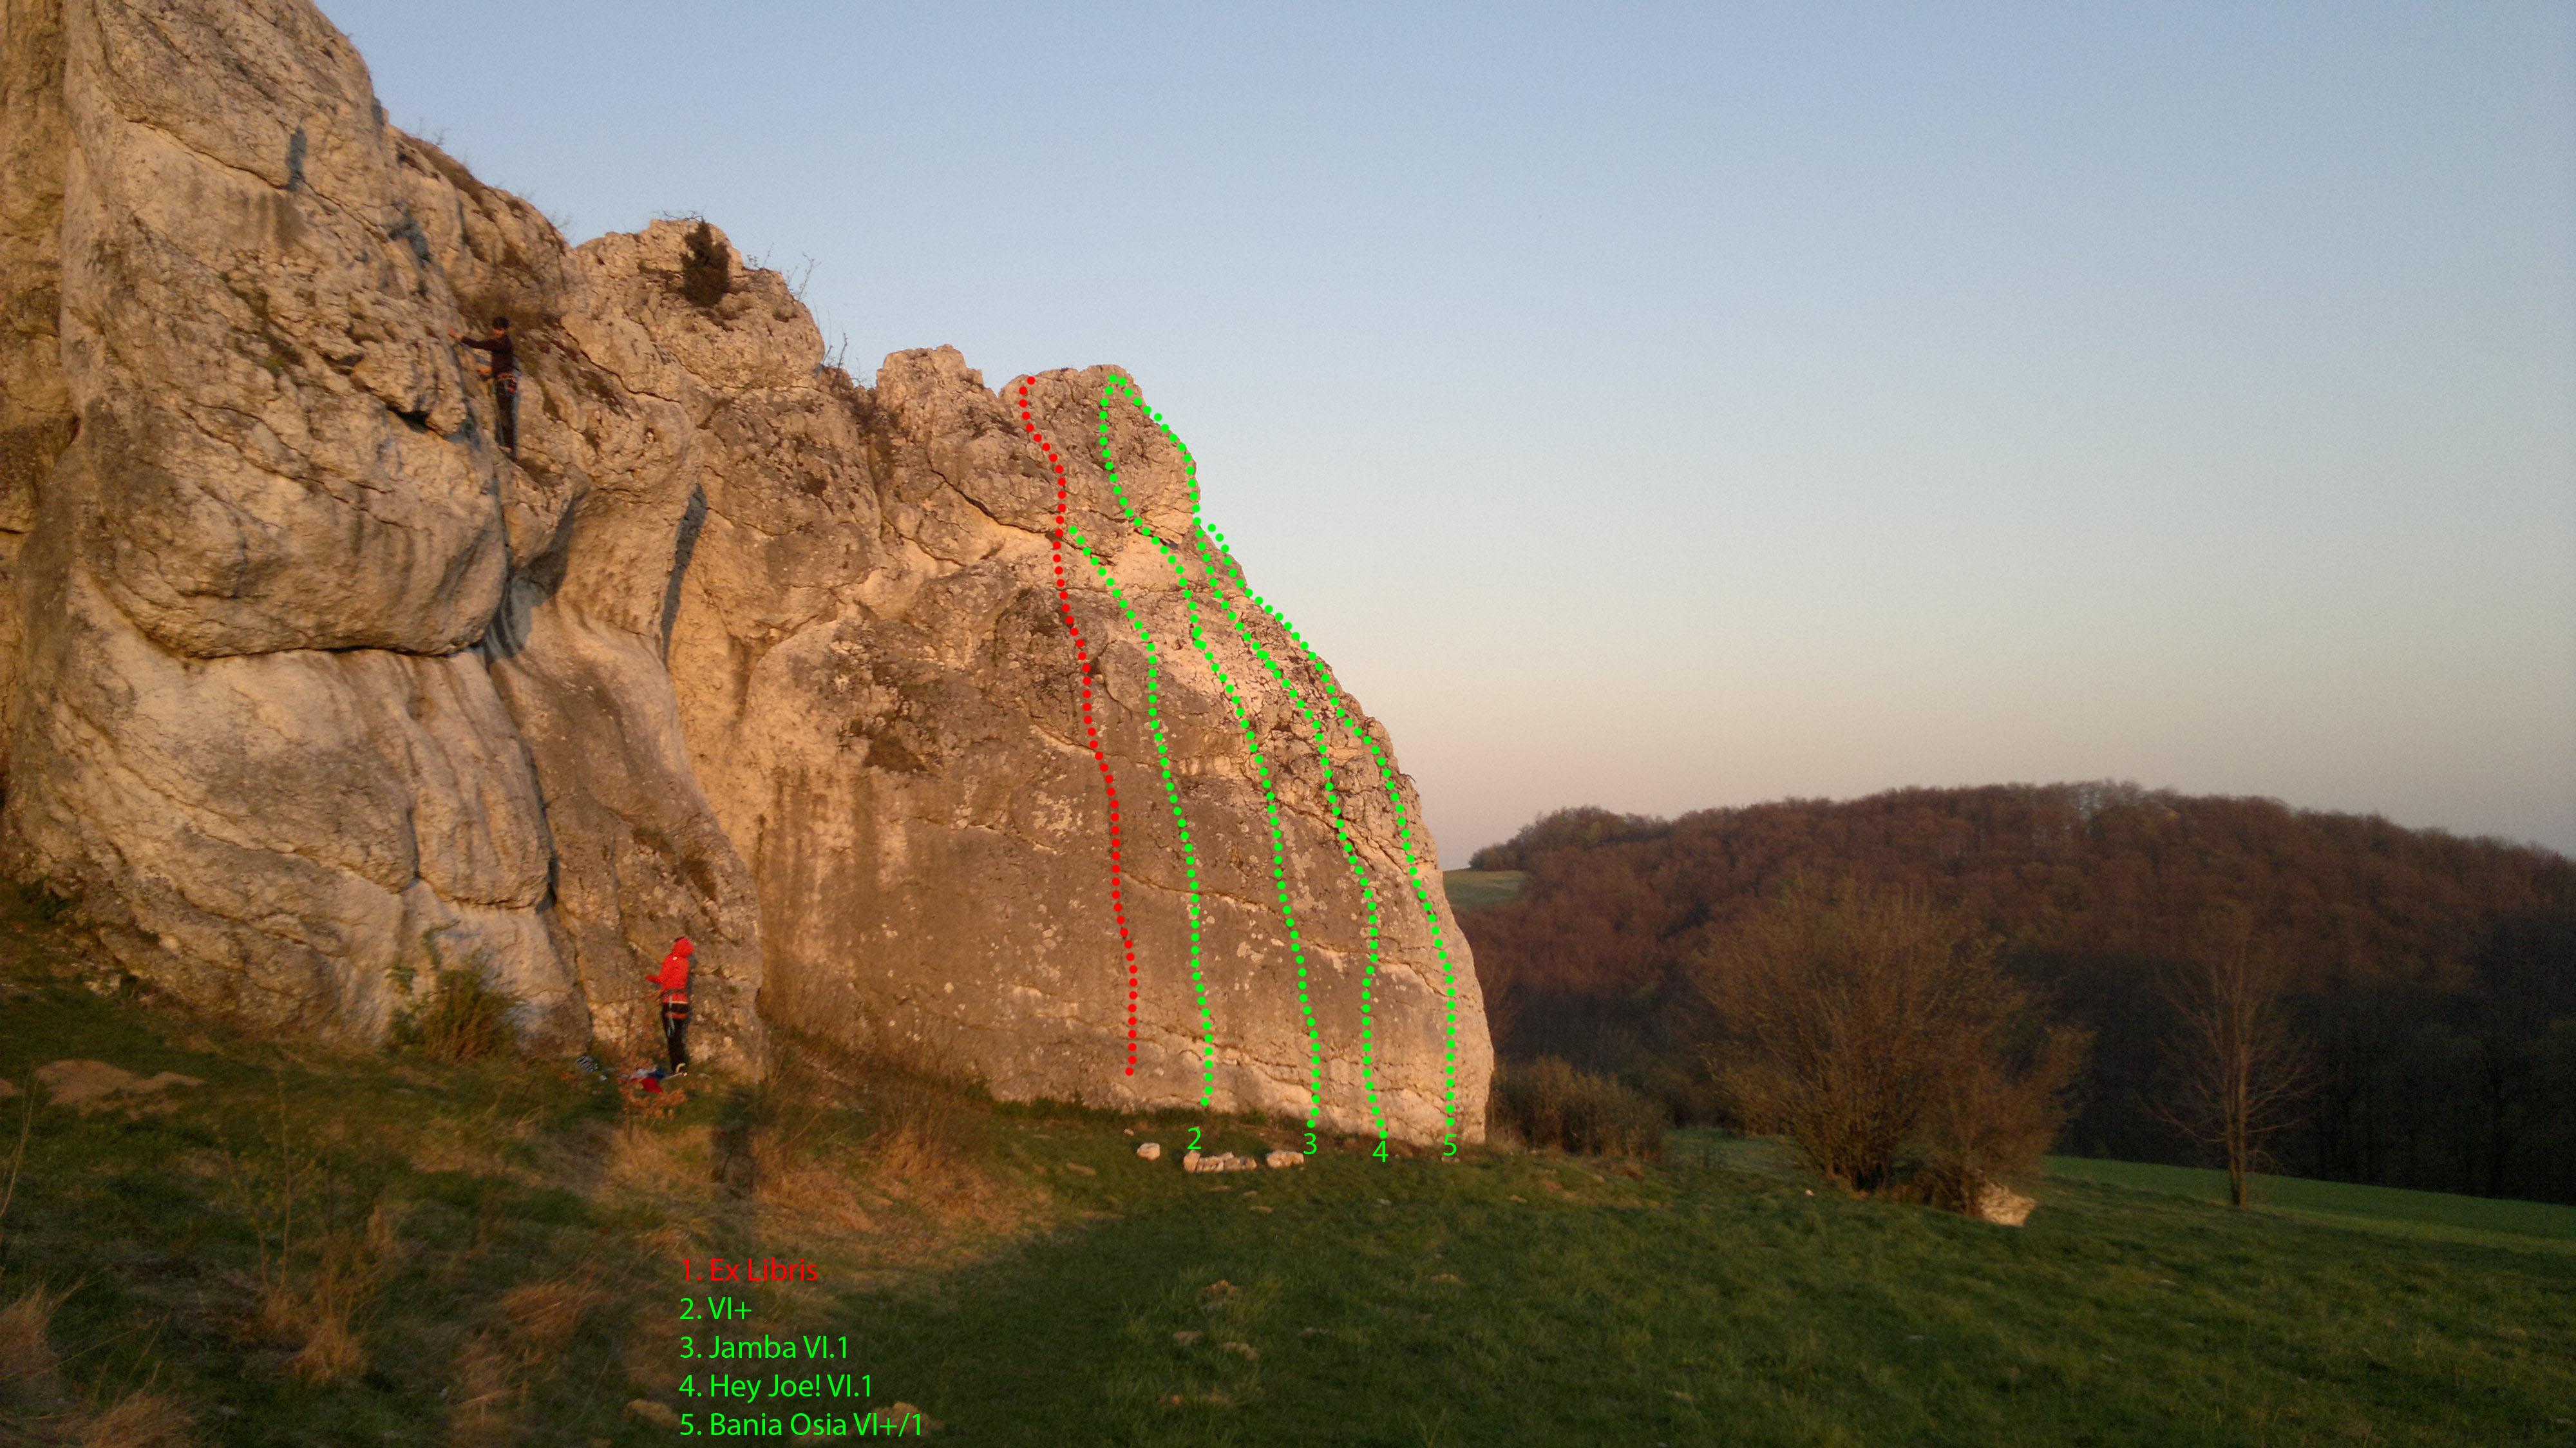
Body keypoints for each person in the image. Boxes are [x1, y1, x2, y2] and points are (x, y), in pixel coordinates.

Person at [446, 316, 517, 457]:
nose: (497, 332)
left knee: (504, 415)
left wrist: (457, 336)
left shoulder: (503, 343)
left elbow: (478, 345)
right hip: (503, 381)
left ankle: (509, 449)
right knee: (504, 414)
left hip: (505, 383)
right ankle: (508, 447)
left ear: (505, 330)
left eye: (500, 330)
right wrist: (489, 370)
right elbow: (503, 363)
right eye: (496, 329)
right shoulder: (504, 343)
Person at [646, 936, 693, 1077]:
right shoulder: (686, 962)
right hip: (683, 1002)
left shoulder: (671, 959)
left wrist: (649, 978)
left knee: (672, 1036)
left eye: (674, 944)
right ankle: (681, 1066)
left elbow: (662, 979)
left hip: (671, 1002)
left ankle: (677, 1068)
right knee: (678, 1035)